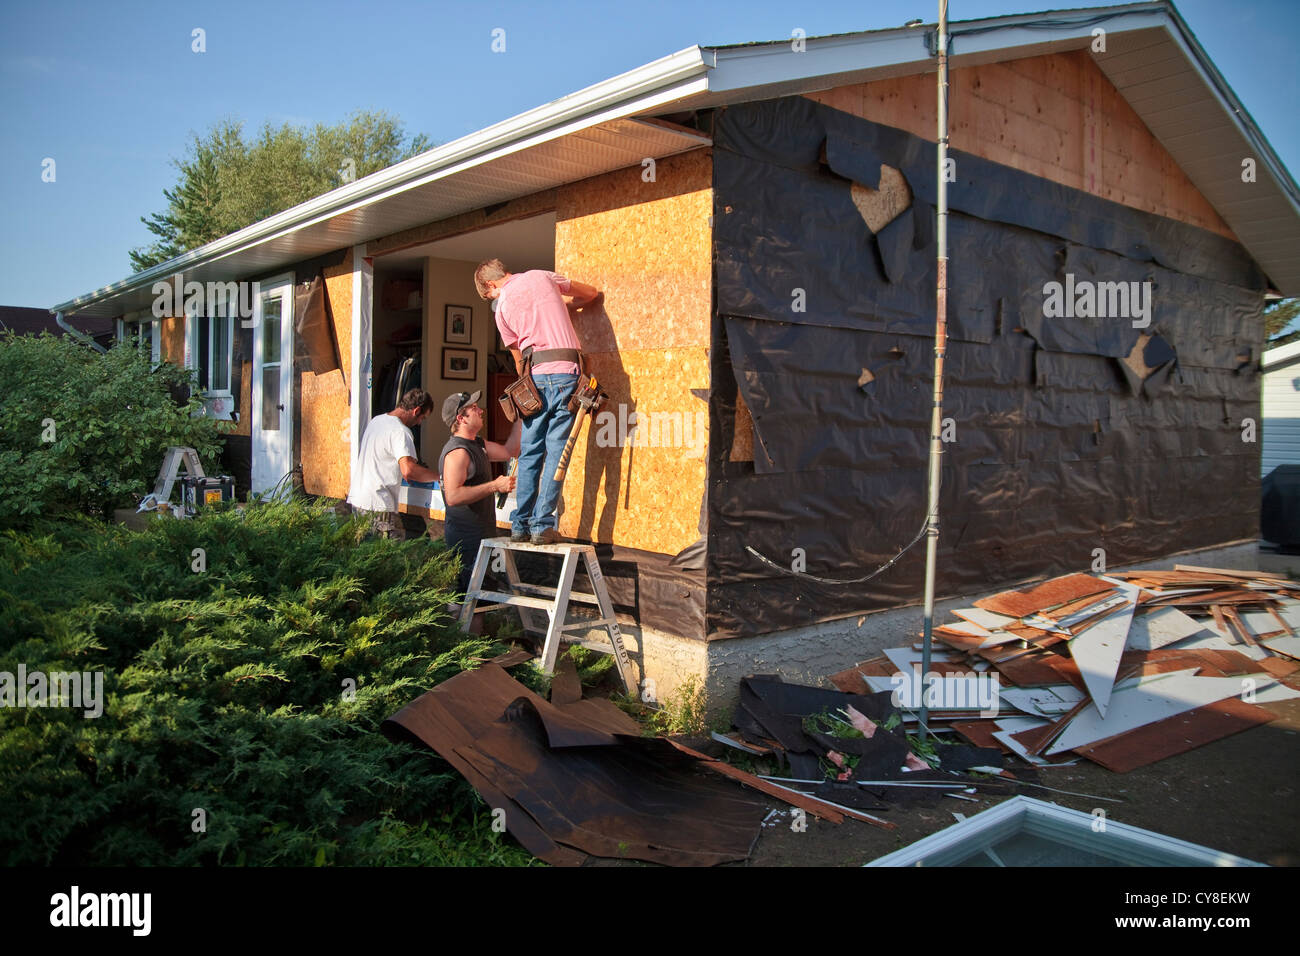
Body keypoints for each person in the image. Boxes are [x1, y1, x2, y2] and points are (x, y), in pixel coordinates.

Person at [473, 259, 599, 545]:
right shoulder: (543, 276)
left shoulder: (502, 309)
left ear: (491, 285)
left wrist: (525, 391)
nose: (494, 299)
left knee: (530, 453)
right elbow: (590, 293)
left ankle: (520, 525)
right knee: (556, 453)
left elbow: (520, 360)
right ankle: (542, 526)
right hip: (568, 373)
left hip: (537, 379)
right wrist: (565, 308)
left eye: (490, 295)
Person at [438, 390, 520, 593]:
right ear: (461, 418)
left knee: (476, 603)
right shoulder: (458, 452)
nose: (480, 410)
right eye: (473, 408)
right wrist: (495, 486)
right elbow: (453, 496)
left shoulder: (478, 444)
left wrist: (520, 416)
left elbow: (510, 451)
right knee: (470, 604)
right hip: (467, 540)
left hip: (482, 537)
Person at [346, 388, 437, 539]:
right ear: (416, 410)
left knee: (362, 555)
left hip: (359, 500)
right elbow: (409, 471)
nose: (420, 423)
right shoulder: (401, 432)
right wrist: (441, 476)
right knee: (379, 556)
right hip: (378, 504)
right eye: (423, 418)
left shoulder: (377, 420)